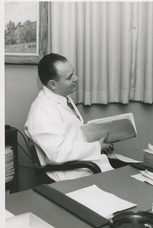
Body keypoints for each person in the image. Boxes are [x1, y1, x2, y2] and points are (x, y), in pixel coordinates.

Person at [25, 53, 122, 181]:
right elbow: (57, 154)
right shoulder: (43, 110)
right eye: (70, 77)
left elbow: (72, 136)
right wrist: (96, 146)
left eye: (73, 73)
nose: (76, 78)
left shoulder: (62, 97)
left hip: (85, 164)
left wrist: (98, 141)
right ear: (53, 84)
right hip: (71, 174)